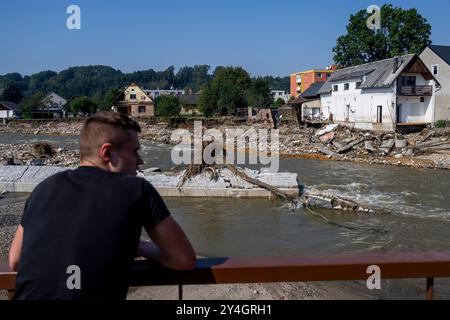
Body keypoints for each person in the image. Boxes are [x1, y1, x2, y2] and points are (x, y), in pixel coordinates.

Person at [8, 112, 196, 300]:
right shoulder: (137, 189)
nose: (140, 160)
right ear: (107, 153)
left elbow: (15, 260)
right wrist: (142, 248)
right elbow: (184, 259)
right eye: (134, 151)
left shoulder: (44, 188)